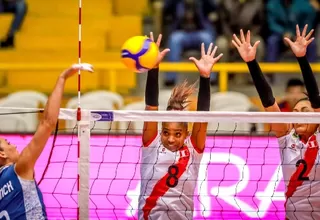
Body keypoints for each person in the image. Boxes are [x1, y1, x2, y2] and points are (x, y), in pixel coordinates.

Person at [232, 25, 320, 219]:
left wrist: (301, 58)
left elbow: (316, 99)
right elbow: (269, 101)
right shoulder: (286, 139)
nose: (298, 116)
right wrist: (251, 62)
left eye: (304, 112)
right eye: (294, 112)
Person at [139, 32, 222, 220]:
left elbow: (203, 116)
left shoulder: (193, 149)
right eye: (166, 132)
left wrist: (205, 77)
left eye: (177, 134)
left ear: (186, 134)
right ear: (160, 131)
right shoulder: (151, 145)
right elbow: (151, 107)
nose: (170, 138)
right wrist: (154, 68)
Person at [0, 63, 93, 219]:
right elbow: (48, 122)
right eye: (8, 143)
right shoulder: (19, 169)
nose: (14, 145)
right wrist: (62, 78)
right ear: (2, 153)